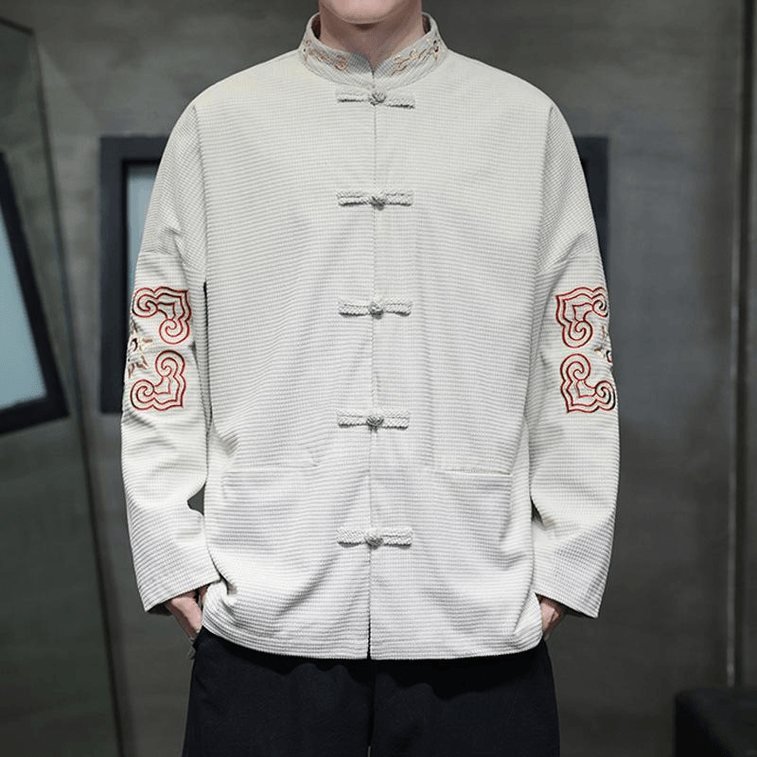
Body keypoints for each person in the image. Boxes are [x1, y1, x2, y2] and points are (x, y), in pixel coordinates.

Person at [121, 1, 619, 754]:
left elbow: (575, 345)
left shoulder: (525, 123)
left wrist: (566, 563)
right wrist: (172, 554)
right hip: (264, 604)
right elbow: (163, 339)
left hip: (476, 605)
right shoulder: (218, 123)